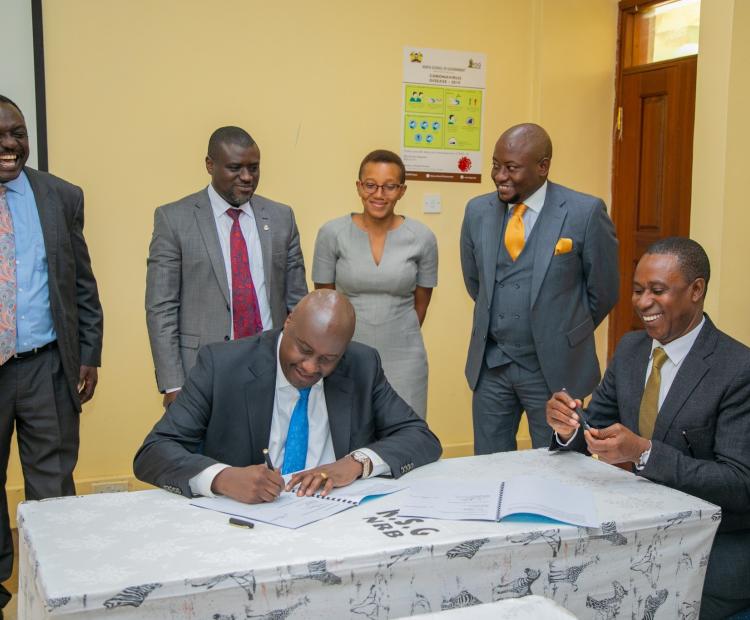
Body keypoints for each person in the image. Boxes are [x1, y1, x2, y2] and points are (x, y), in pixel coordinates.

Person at [547, 237, 750, 620]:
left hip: (711, 547)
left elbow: (740, 483)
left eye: (658, 290)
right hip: (632, 529)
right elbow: (598, 425)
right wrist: (569, 425)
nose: (642, 303)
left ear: (696, 289)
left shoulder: (737, 369)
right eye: (638, 290)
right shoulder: (631, 348)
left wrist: (643, 453)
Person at [134, 290, 442, 503]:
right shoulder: (222, 365)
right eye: (304, 349)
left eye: (327, 359)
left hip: (336, 521)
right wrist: (223, 478)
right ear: (289, 321)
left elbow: (420, 437)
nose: (310, 367)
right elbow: (153, 452)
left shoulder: (362, 365)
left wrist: (355, 463)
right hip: (243, 526)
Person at [0, 95, 103, 613]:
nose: (10, 144)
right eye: (0, 135)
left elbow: (81, 282)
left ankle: (56, 587)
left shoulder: (60, 196)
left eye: (17, 132)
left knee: (52, 484)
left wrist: (89, 351)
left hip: (46, 363)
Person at [460, 123, 618, 453]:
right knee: (488, 465)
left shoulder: (584, 212)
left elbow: (604, 291)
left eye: (512, 167)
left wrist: (564, 331)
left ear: (542, 166)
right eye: (495, 164)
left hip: (554, 371)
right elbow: (476, 282)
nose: (500, 175)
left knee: (557, 463)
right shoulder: (477, 212)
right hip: (492, 366)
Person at [146, 126, 307, 407]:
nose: (247, 177)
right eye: (235, 168)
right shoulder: (174, 220)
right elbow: (162, 307)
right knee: (207, 451)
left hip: (272, 366)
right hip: (202, 372)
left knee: (269, 450)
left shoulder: (282, 218)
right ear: (210, 165)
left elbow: (298, 301)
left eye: (254, 168)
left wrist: (304, 366)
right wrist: (173, 383)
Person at [312, 150, 437, 419]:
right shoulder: (331, 234)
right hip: (347, 353)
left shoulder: (423, 238)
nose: (379, 194)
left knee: (406, 434)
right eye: (371, 185)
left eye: (390, 186)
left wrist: (397, 331)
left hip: (405, 356)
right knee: (349, 434)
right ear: (359, 186)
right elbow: (324, 302)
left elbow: (422, 303)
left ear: (402, 190)